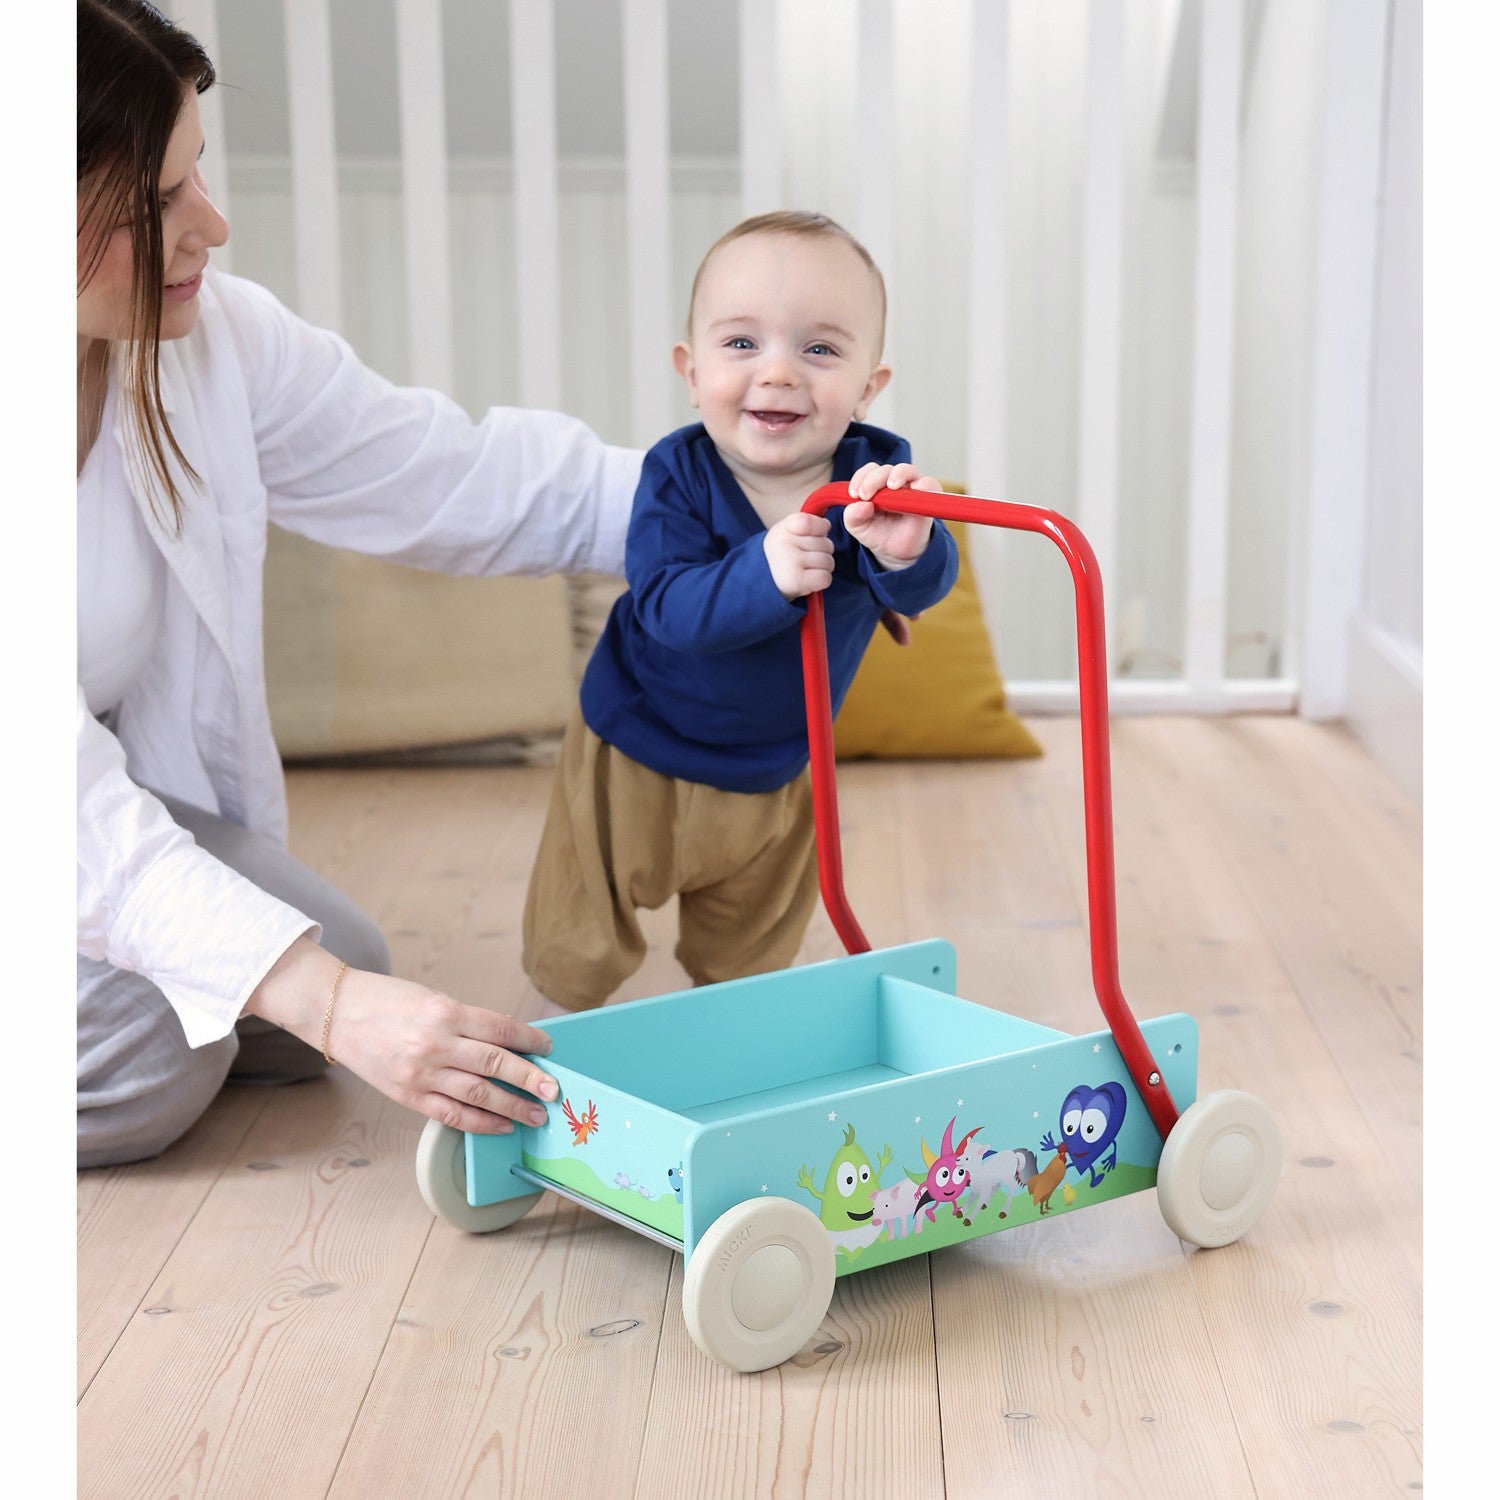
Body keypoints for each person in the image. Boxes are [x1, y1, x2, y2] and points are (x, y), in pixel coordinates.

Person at [76, 0, 643, 1169]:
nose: (214, 226)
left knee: (329, 974)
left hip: (82, 807)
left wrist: (749, 505)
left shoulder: (204, 344)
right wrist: (325, 1005)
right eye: (158, 202)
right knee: (156, 1058)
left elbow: (455, 476)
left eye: (200, 176)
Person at [521, 211, 959, 1014]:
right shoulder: (676, 475)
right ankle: (561, 1042)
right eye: (741, 344)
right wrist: (765, 572)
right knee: (577, 934)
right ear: (691, 371)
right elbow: (666, 608)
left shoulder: (874, 479)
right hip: (635, 747)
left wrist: (905, 549)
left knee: (752, 953)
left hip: (779, 766)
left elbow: (921, 590)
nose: (780, 374)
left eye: (820, 349)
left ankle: (735, 1040)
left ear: (869, 387)